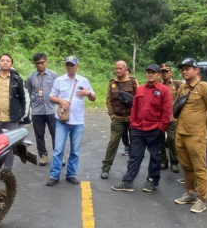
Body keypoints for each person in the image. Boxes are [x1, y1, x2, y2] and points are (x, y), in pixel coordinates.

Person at [111, 64, 171, 192]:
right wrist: (133, 124)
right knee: (135, 155)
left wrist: (161, 128)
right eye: (148, 72)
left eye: (153, 72)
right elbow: (134, 108)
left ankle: (152, 181)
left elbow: (167, 112)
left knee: (155, 157)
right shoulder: (140, 89)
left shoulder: (163, 90)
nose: (150, 74)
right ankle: (127, 182)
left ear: (158, 74)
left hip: (155, 129)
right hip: (138, 129)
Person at [173, 58, 207, 214]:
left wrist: (203, 126)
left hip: (196, 135)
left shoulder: (204, 88)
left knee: (200, 168)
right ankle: (190, 192)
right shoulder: (182, 88)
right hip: (181, 133)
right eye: (183, 69)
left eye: (187, 68)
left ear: (196, 70)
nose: (184, 71)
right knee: (187, 166)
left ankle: (202, 199)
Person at [46, 56, 96, 186]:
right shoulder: (59, 80)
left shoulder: (83, 81)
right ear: (65, 66)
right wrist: (60, 101)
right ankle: (54, 175)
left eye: (72, 65)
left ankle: (71, 174)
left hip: (78, 121)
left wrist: (88, 93)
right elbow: (51, 97)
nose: (70, 67)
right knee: (58, 149)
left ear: (77, 66)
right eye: (68, 65)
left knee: (75, 150)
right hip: (62, 121)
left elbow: (93, 97)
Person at [100, 60, 139, 179]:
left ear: (125, 69)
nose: (117, 70)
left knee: (134, 145)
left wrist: (136, 116)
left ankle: (130, 170)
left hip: (131, 118)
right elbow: (109, 100)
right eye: (116, 68)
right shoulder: (111, 83)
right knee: (112, 143)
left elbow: (139, 99)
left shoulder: (133, 81)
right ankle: (105, 168)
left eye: (120, 68)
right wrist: (112, 115)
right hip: (117, 118)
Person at [25, 52, 58, 166]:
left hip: (51, 110)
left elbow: (58, 91)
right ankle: (43, 155)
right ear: (34, 63)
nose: (40, 65)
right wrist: (33, 106)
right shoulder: (30, 77)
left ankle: (58, 155)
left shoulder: (53, 75)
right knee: (39, 134)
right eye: (37, 63)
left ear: (46, 61)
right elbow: (29, 92)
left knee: (56, 133)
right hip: (37, 111)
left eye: (42, 63)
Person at [159, 62, 181, 173]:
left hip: (172, 118)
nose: (164, 73)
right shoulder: (158, 85)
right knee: (160, 140)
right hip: (159, 118)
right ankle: (163, 160)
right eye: (162, 71)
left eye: (166, 71)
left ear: (171, 72)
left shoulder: (177, 84)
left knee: (172, 140)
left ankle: (174, 162)